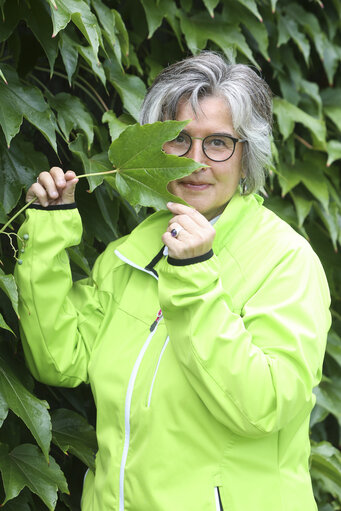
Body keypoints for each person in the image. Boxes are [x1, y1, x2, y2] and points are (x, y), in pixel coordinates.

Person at [15, 52, 331, 511]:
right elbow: (59, 359)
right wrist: (47, 229)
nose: (196, 161)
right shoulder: (136, 248)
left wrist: (194, 277)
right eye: (178, 139)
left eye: (219, 143)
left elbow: (264, 405)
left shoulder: (287, 261)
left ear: (248, 155)